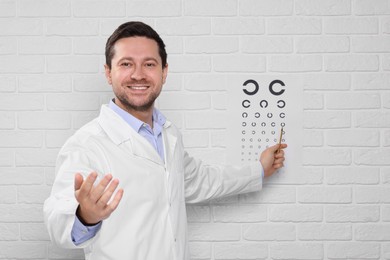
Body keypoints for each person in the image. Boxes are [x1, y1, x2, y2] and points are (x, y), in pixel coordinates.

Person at [43, 21, 287, 260]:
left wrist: (259, 170)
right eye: (126, 64)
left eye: (149, 64)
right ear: (109, 73)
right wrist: (85, 216)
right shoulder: (87, 144)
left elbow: (200, 180)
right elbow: (57, 217)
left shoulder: (168, 134)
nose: (138, 75)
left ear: (164, 72)